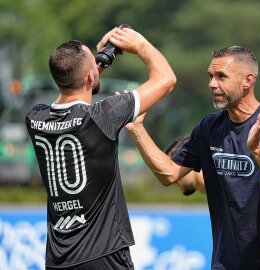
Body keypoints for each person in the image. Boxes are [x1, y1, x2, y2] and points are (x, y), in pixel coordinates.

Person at [127, 46, 260, 269]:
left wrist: (257, 150)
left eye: (221, 77)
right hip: (226, 264)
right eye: (211, 76)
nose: (212, 84)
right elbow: (169, 174)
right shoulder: (208, 128)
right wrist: (137, 130)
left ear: (248, 80)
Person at [24, 26, 176, 269]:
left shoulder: (35, 119)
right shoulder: (102, 116)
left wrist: (91, 70)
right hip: (104, 255)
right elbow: (166, 80)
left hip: (58, 258)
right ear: (89, 77)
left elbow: (72, 88)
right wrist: (140, 45)